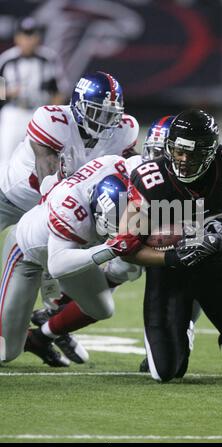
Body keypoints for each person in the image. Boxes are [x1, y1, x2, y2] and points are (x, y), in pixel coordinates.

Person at [125, 109, 222, 381]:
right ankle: (182, 337)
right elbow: (127, 248)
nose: (182, 160)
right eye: (178, 151)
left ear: (210, 152)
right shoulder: (149, 180)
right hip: (167, 267)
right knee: (166, 372)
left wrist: (221, 240)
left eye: (192, 154)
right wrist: (173, 257)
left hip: (211, 260)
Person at [0, 70, 139, 364]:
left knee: (118, 260)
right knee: (58, 254)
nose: (103, 122)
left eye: (110, 114)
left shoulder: (125, 130)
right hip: (15, 198)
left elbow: (135, 174)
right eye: (95, 112)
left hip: (72, 209)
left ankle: (53, 318)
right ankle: (43, 319)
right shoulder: (53, 120)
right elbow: (47, 174)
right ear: (77, 104)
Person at [0, 154, 141, 366]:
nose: (126, 229)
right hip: (27, 255)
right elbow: (58, 265)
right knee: (7, 351)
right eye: (120, 224)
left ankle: (42, 331)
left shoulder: (116, 168)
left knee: (101, 308)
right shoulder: (72, 211)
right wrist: (111, 247)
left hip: (70, 248)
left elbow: (137, 164)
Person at [0, 17, 66, 165]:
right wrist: (9, 92)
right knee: (6, 157)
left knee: (38, 158)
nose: (29, 40)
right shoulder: (6, 60)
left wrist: (50, 113)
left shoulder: (49, 59)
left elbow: (59, 92)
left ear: (38, 38)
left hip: (38, 112)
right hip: (14, 112)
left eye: (32, 35)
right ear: (17, 37)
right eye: (25, 35)